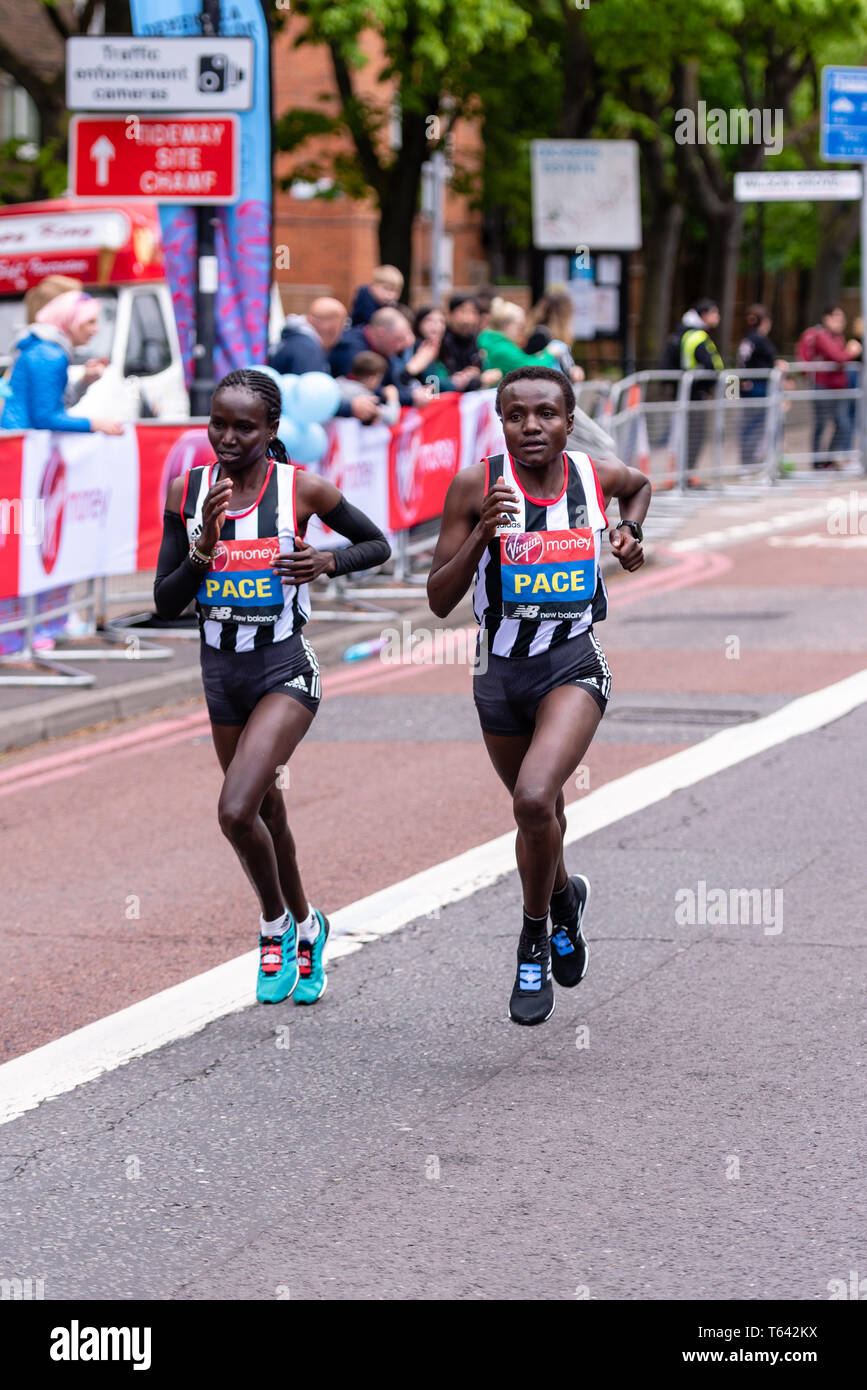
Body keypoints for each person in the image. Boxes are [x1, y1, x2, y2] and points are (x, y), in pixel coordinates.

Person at [154, 369, 391, 1006]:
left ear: (272, 430)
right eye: (218, 424)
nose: (228, 438)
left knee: (235, 811)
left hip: (284, 670)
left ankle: (274, 925)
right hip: (220, 675)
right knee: (264, 809)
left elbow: (377, 544)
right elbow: (166, 601)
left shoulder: (303, 490)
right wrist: (201, 550)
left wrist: (326, 561)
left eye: (244, 427)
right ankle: (310, 923)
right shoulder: (186, 492)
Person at [427, 365, 651, 1025]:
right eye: (517, 414)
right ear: (500, 420)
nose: (532, 426)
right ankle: (563, 902)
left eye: (546, 414)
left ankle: (532, 939)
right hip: (497, 674)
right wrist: (479, 537)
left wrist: (631, 535)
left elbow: (638, 488)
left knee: (531, 798)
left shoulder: (592, 475)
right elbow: (439, 599)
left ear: (568, 419)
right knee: (541, 812)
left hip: (572, 664)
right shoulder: (475, 484)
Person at [0, 290, 122, 435]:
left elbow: (53, 404)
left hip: (18, 439)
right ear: (71, 321)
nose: (95, 330)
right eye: (90, 322)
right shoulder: (50, 354)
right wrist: (93, 424)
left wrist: (85, 381)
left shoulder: (45, 349)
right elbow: (46, 418)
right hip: (19, 443)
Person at [268, 296, 380, 424]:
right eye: (342, 326)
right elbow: (312, 397)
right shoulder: (307, 350)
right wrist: (350, 407)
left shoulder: (296, 341)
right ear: (333, 327)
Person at [798, 305, 862, 469]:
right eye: (836, 318)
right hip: (822, 387)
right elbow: (838, 357)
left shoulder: (838, 337)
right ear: (826, 318)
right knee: (821, 423)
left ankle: (830, 458)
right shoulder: (821, 336)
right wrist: (852, 351)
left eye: (842, 318)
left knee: (843, 424)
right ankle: (817, 460)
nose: (841, 322)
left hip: (839, 388)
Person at [329, 306, 429, 406]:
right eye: (399, 339)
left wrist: (412, 391)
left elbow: (392, 383)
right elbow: (368, 389)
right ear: (381, 333)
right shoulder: (352, 349)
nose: (402, 346)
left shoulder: (384, 348)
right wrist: (410, 398)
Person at [736, 304, 786, 470]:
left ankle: (751, 463)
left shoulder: (747, 338)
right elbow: (766, 363)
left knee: (751, 427)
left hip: (749, 388)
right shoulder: (759, 340)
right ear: (765, 321)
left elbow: (739, 367)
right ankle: (750, 464)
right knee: (754, 427)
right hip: (758, 388)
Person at [477, 297, 563, 378]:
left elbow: (521, 361)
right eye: (520, 326)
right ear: (508, 325)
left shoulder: (489, 339)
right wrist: (549, 353)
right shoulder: (502, 348)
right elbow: (530, 370)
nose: (522, 331)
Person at [526, 289, 586, 383]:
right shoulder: (540, 335)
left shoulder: (551, 335)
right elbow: (532, 368)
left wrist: (574, 370)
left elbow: (565, 367)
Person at [336, 350, 401, 425]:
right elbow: (391, 418)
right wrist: (393, 399)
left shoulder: (337, 382)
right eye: (379, 378)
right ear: (372, 379)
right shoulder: (364, 394)